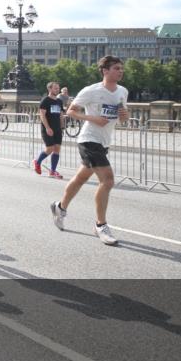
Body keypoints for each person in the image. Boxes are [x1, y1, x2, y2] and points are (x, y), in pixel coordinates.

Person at [51, 56, 129, 246]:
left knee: (81, 178)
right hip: (89, 139)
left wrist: (124, 116)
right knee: (108, 180)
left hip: (103, 142)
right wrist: (94, 119)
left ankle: (60, 207)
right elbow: (71, 111)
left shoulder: (122, 91)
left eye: (121, 68)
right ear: (105, 71)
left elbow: (122, 119)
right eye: (116, 68)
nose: (120, 71)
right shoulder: (91, 90)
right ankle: (100, 225)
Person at [34, 81, 64, 179]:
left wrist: (62, 127)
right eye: (55, 88)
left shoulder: (59, 101)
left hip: (57, 129)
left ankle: (52, 171)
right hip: (47, 128)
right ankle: (37, 161)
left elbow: (61, 114)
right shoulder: (45, 100)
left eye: (58, 88)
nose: (57, 90)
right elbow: (42, 115)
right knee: (50, 149)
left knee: (57, 149)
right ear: (49, 89)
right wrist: (47, 128)